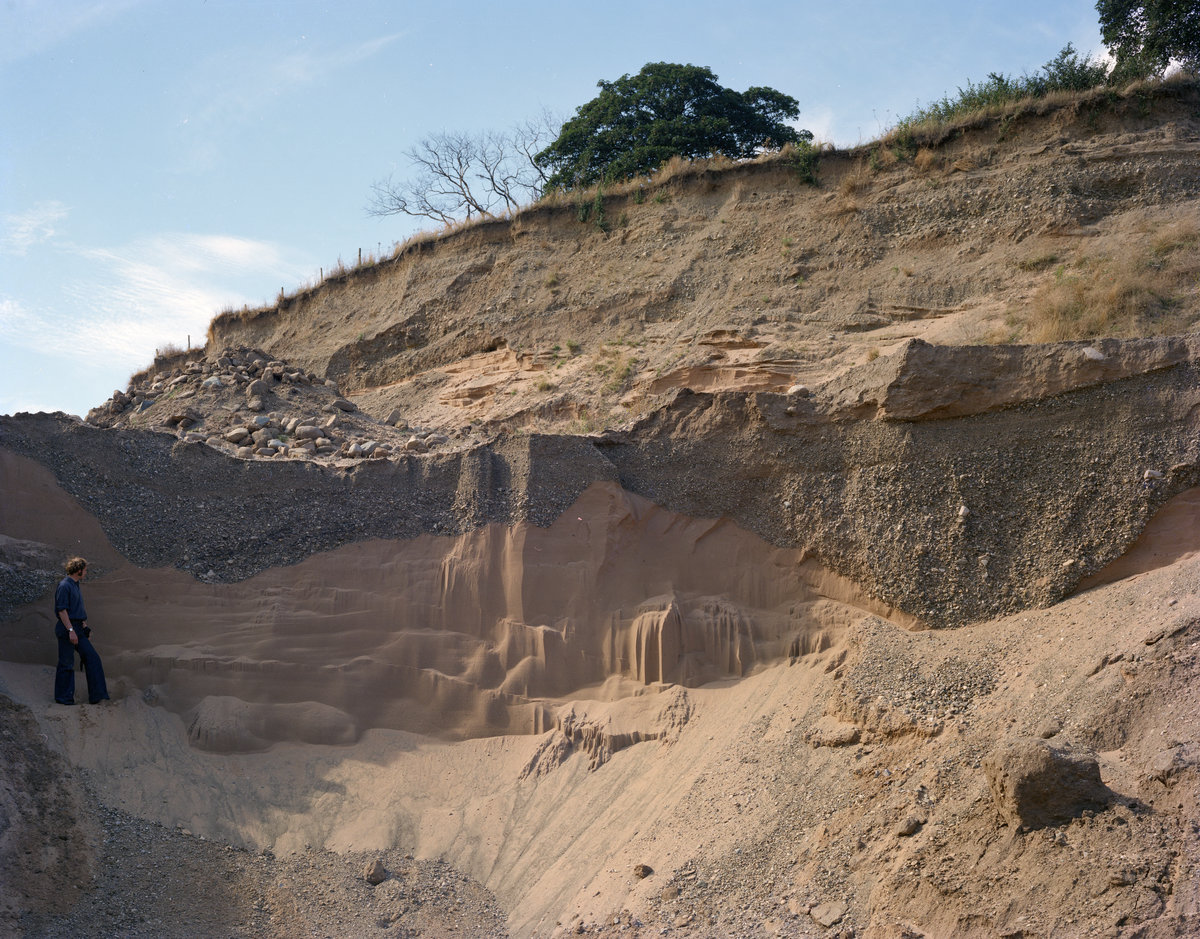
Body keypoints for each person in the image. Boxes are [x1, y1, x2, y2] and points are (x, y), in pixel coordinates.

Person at [53, 557, 110, 706]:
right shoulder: (65, 585)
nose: (86, 573)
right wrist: (71, 630)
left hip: (78, 628)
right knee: (66, 663)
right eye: (85, 570)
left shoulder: (75, 585)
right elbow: (62, 610)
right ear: (78, 570)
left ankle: (98, 696)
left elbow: (76, 610)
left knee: (92, 658)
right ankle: (64, 699)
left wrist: (84, 627)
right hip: (67, 628)